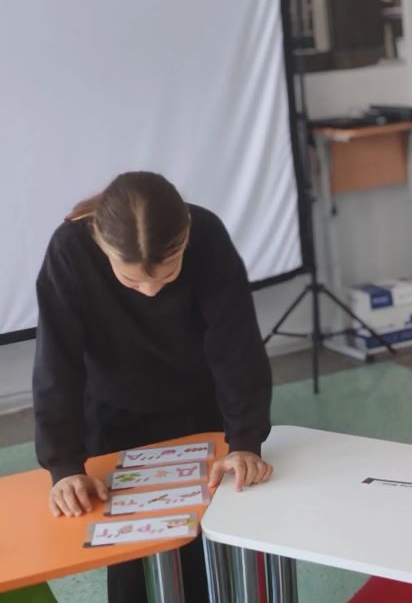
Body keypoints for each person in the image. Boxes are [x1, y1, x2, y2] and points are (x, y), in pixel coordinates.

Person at [33, 172, 273, 603]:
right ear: (101, 245)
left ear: (185, 237)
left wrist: (244, 441)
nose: (149, 291)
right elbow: (57, 364)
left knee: (208, 544)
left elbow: (236, 346)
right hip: (113, 414)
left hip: (200, 409)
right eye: (131, 281)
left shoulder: (208, 236)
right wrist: (64, 466)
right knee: (132, 563)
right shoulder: (70, 250)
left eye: (168, 274)